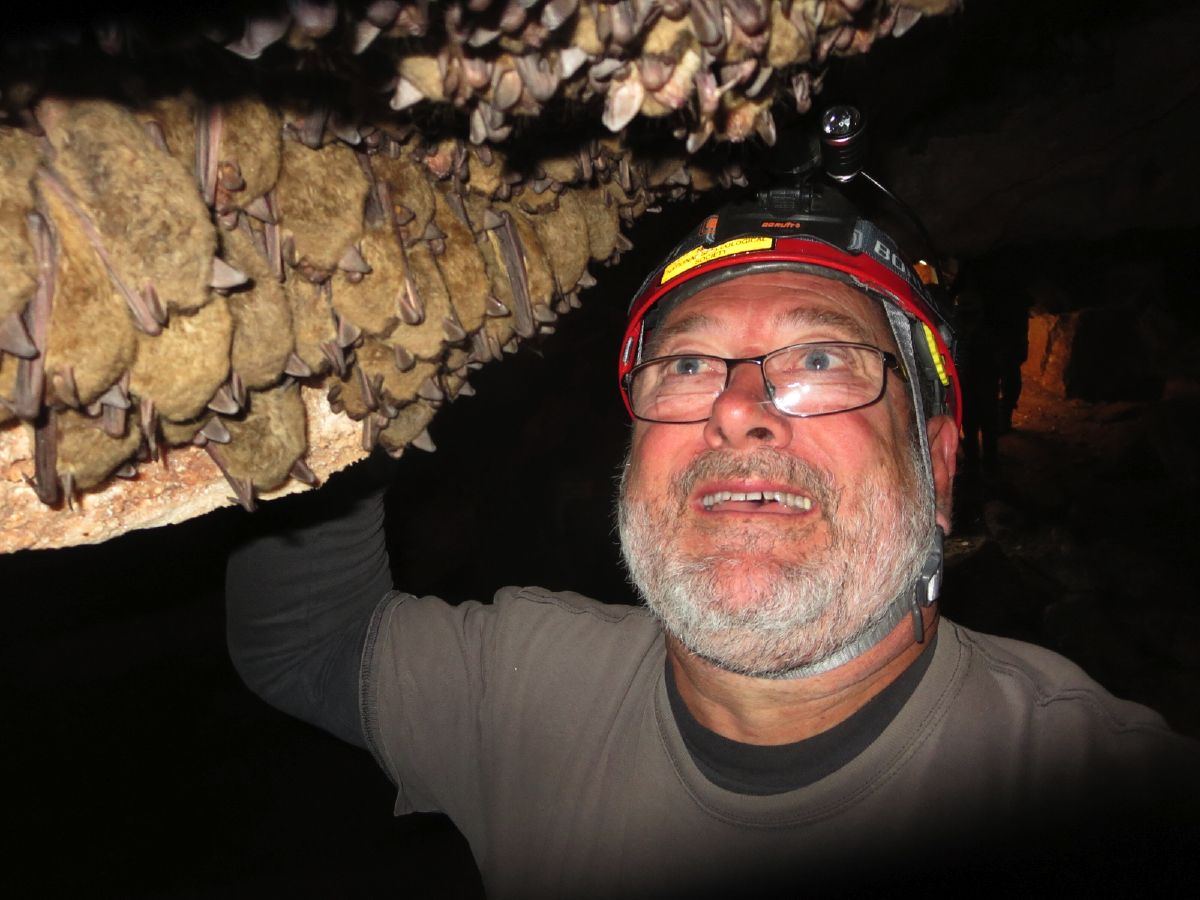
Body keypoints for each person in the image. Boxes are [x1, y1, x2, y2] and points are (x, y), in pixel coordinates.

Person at [226, 184, 1197, 897]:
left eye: (820, 357)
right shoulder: (531, 682)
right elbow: (307, 647)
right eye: (688, 363)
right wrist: (340, 399)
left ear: (938, 469)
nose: (739, 409)